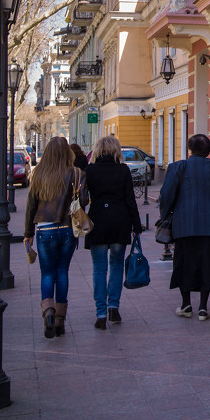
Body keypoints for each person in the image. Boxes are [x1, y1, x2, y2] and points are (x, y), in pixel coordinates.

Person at [158, 134, 210, 321]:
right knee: (208, 264)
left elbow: (166, 195)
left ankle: (186, 305)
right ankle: (203, 308)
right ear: (208, 151)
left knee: (184, 264)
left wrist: (164, 216)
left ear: (189, 149)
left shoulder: (177, 167)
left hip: (184, 225)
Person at [24, 137, 89, 339]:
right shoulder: (77, 173)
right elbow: (85, 200)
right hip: (68, 229)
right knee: (62, 272)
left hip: (44, 230)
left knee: (47, 274)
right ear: (68, 154)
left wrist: (28, 234)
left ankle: (48, 312)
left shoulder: (39, 174)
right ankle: (60, 320)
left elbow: (31, 206)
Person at [84, 134, 142, 329]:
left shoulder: (89, 171)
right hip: (120, 220)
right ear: (116, 150)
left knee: (99, 268)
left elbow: (84, 199)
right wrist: (137, 226)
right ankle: (113, 307)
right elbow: (130, 200)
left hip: (97, 221)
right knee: (116, 265)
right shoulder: (123, 170)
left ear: (98, 150)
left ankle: (100, 314)